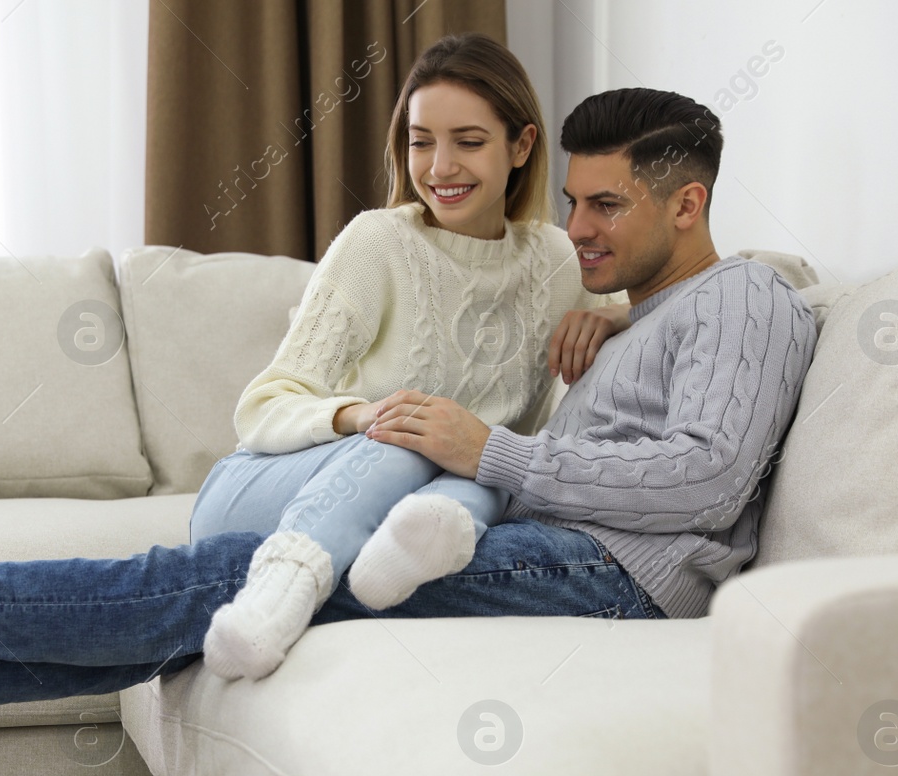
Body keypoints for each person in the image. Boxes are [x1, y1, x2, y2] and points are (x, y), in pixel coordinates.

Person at [0, 85, 817, 716]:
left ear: (689, 205)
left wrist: (496, 452)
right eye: (571, 203)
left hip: (613, 583)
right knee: (214, 600)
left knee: (230, 575)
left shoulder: (748, 298)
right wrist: (604, 326)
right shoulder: (643, 309)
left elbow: (707, 477)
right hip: (551, 548)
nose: (576, 234)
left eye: (606, 207)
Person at [190, 32, 630, 681]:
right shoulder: (378, 243)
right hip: (262, 489)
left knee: (487, 455)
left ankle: (411, 546)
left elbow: (676, 305)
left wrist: (612, 316)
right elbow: (263, 406)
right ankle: (273, 598)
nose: (439, 166)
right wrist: (362, 416)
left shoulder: (557, 261)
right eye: (422, 141)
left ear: (521, 146)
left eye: (468, 141)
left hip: (432, 490)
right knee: (419, 430)